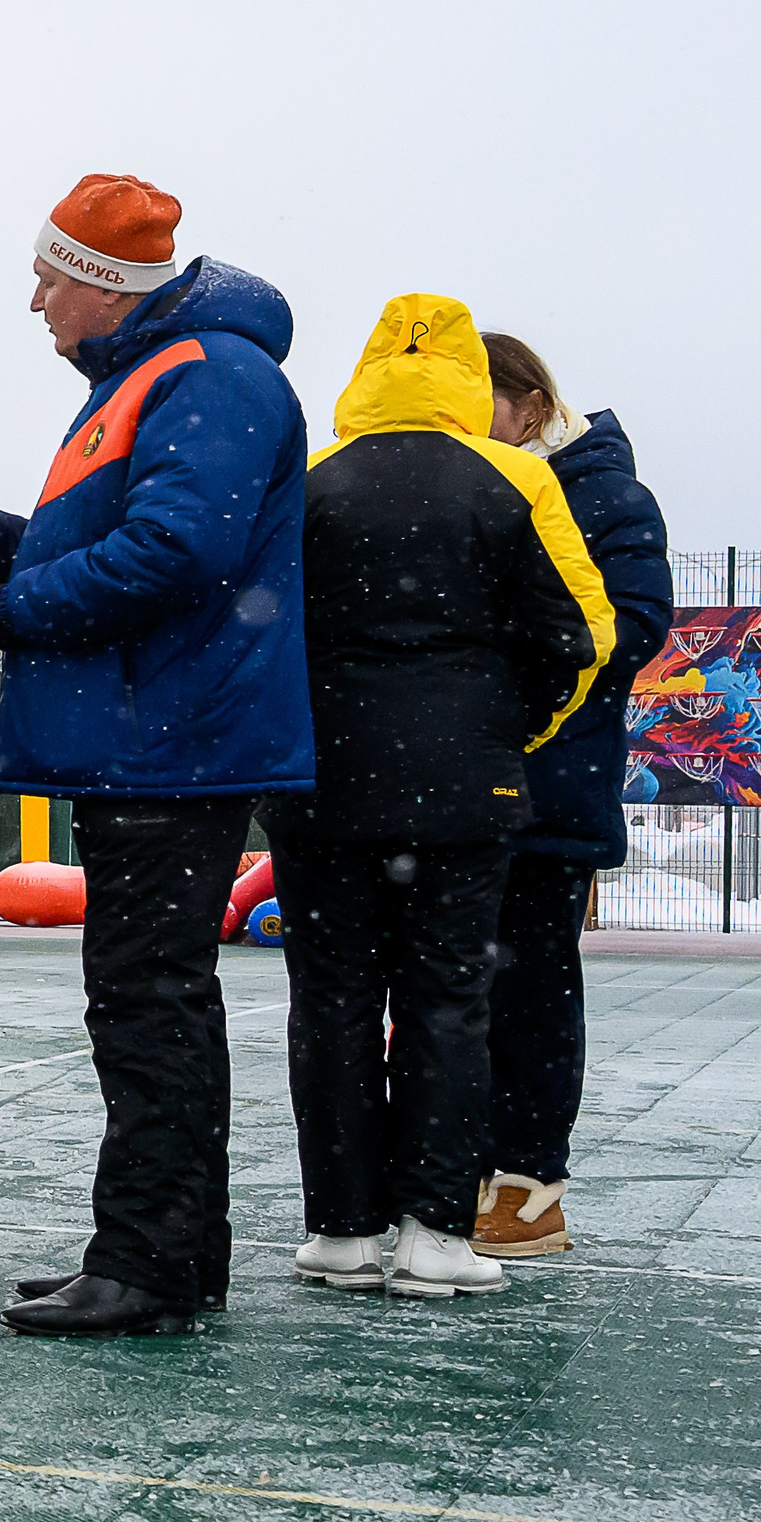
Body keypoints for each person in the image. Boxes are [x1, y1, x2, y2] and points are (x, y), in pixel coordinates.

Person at [0, 175, 312, 1335]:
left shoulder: (206, 376)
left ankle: (148, 1266)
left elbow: (170, 555)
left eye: (50, 278)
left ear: (105, 284)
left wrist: (9, 610)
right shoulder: (167, 380)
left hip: (169, 742)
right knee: (149, 1003)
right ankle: (162, 1252)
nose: (35, 301)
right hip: (155, 738)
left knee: (148, 1005)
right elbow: (113, 541)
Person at [265, 296, 613, 1301]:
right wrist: (508, 733)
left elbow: (259, 624)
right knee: (447, 1004)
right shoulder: (513, 477)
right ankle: (434, 1234)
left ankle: (340, 1230)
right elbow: (578, 637)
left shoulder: (310, 480)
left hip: (323, 782)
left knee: (329, 1003)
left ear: (368, 369)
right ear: (465, 374)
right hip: (466, 788)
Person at [472, 335, 672, 1259]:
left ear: (532, 403)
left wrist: (487, 650)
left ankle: (529, 1186)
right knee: (455, 989)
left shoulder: (607, 494)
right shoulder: (483, 480)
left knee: (533, 991)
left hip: (552, 786)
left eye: (483, 409)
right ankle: (463, 1170)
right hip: (463, 779)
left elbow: (630, 629)